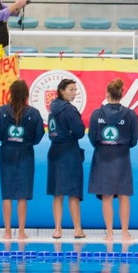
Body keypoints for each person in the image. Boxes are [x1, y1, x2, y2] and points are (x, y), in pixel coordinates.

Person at [88, 78, 138, 242]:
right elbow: (134, 140)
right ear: (121, 95)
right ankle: (125, 233)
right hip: (122, 158)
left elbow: (92, 138)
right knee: (124, 196)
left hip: (103, 157)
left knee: (107, 197)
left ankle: (110, 234)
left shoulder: (97, 114)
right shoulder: (131, 115)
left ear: (107, 94)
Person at [0, 79, 45, 240]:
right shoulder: (33, 113)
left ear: (10, 93)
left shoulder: (2, 111)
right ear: (26, 94)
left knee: (7, 194)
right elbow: (38, 137)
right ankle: (21, 231)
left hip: (7, 153)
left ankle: (7, 232)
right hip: (25, 153)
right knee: (22, 195)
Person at [47, 78, 86, 239]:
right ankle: (77, 229)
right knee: (73, 193)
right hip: (69, 152)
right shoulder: (69, 110)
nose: (74, 93)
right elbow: (80, 132)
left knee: (58, 193)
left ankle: (57, 229)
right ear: (61, 90)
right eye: (71, 90)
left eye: (75, 90)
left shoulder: (52, 109)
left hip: (55, 151)